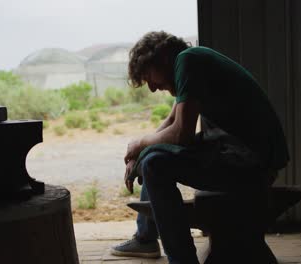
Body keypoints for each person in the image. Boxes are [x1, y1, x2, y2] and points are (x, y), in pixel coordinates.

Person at [110, 31, 289, 264]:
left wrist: (141, 145)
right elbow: (172, 122)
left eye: (148, 76)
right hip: (241, 151)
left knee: (154, 163)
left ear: (162, 57)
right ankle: (145, 238)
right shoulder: (190, 61)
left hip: (253, 162)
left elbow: (180, 134)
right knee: (152, 155)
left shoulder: (188, 61)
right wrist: (138, 151)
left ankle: (179, 259)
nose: (152, 88)